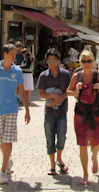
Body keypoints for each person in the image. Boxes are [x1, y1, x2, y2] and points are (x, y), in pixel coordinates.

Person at [0, 44, 30, 185]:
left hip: (11, 109)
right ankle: (8, 159)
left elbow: (22, 91)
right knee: (0, 140)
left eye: (14, 53)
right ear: (4, 54)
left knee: (8, 139)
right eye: (11, 53)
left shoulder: (17, 72)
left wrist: (27, 110)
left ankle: (3, 170)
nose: (14, 56)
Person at [67, 50, 99, 186]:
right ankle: (85, 173)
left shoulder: (98, 75)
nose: (86, 64)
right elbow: (68, 91)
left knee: (95, 144)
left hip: (95, 113)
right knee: (83, 144)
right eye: (84, 61)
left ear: (93, 61)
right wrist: (75, 91)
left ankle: (95, 158)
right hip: (81, 114)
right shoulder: (76, 76)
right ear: (80, 62)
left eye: (88, 61)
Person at [37, 48, 71, 176]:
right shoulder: (43, 76)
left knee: (61, 137)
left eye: (54, 60)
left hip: (62, 112)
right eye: (49, 60)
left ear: (58, 60)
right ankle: (52, 165)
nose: (52, 63)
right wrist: (52, 96)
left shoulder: (66, 75)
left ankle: (59, 158)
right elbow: (41, 94)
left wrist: (59, 98)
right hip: (49, 113)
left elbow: (69, 90)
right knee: (50, 139)